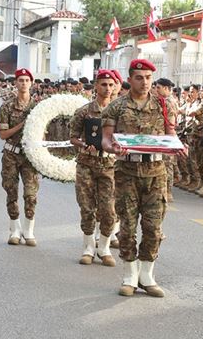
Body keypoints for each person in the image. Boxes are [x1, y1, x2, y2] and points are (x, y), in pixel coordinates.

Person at [101, 59, 184, 298]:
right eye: (140, 77)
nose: (145, 82)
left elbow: (171, 135)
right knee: (127, 227)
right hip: (126, 173)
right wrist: (113, 148)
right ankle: (129, 275)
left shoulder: (164, 105)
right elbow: (105, 139)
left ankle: (147, 275)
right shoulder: (116, 107)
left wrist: (179, 146)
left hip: (156, 173)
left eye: (148, 78)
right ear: (130, 78)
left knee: (153, 228)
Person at [69, 70, 117, 266]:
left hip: (109, 165)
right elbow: (73, 137)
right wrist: (82, 145)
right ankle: (88, 247)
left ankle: (104, 247)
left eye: (111, 85)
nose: (107, 89)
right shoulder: (84, 111)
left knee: (109, 210)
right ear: (96, 86)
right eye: (103, 84)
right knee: (87, 207)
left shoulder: (118, 112)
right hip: (87, 164)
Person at [0, 68, 39, 246]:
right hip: (11, 154)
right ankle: (15, 228)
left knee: (31, 194)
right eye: (20, 80)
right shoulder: (7, 105)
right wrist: (23, 124)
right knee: (11, 191)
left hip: (30, 156)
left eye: (26, 80)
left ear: (31, 83)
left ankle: (29, 230)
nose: (23, 83)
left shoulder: (39, 107)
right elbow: (3, 134)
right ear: (16, 83)